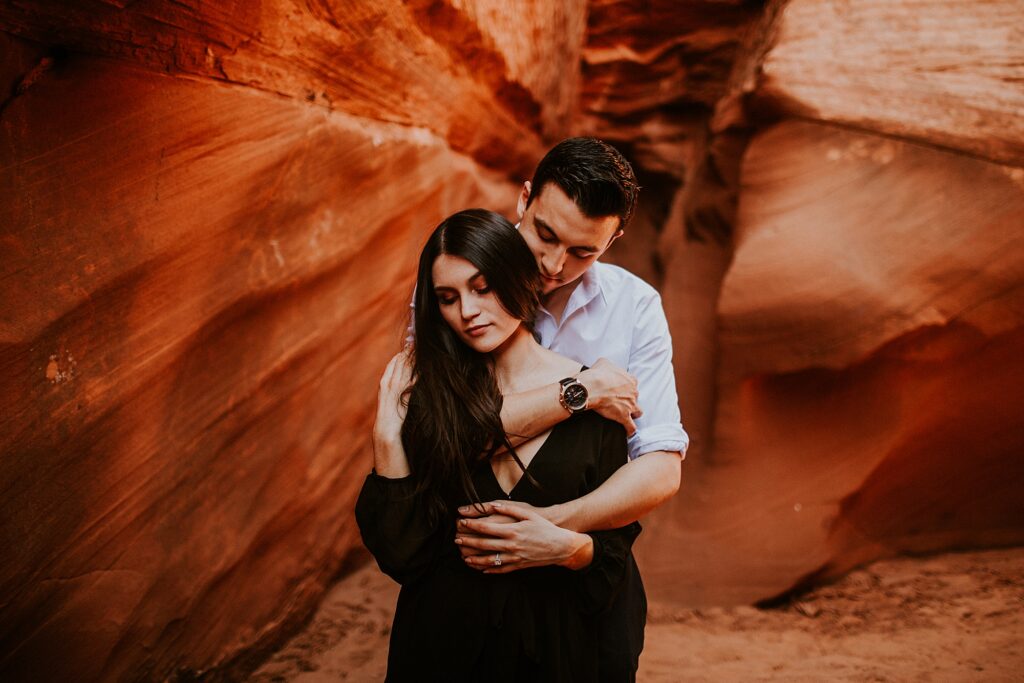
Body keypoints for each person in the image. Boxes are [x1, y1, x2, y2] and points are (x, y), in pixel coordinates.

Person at [357, 209, 644, 681]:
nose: (467, 312)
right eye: (447, 298)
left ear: (518, 278)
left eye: (482, 287)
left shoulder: (595, 397)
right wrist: (387, 438)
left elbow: (614, 559)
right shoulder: (431, 400)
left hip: (560, 651)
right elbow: (401, 552)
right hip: (444, 652)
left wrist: (565, 548)